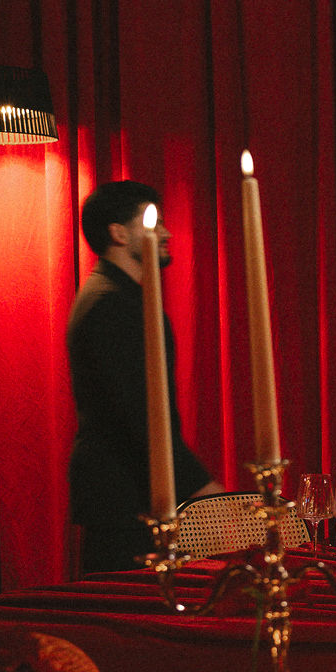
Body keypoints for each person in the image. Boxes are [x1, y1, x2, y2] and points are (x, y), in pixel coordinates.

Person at [67, 181, 221, 572]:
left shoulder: (115, 297)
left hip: (129, 493)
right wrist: (205, 493)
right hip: (125, 498)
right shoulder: (112, 305)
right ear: (118, 233)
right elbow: (140, 418)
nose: (167, 233)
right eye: (154, 223)